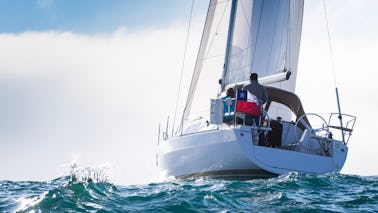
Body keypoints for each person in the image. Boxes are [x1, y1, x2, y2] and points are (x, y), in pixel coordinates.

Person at [242, 73, 269, 145]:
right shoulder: (262, 88)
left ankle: (247, 143)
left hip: (248, 110)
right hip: (258, 110)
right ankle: (262, 144)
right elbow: (265, 99)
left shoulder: (246, 87)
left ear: (250, 78)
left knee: (247, 127)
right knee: (260, 128)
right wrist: (260, 103)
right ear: (257, 78)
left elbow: (242, 99)